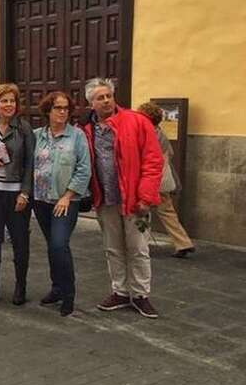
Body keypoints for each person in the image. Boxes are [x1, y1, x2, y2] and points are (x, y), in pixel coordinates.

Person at [81, 78, 163, 318]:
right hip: (106, 199)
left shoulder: (137, 121)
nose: (106, 100)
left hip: (136, 201)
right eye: (100, 98)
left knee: (138, 248)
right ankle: (120, 291)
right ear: (91, 104)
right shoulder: (88, 129)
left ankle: (140, 294)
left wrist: (146, 195)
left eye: (108, 95)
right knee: (113, 248)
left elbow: (153, 161)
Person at [32, 92, 91, 316]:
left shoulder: (77, 136)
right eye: (58, 108)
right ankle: (56, 288)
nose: (63, 112)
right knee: (52, 246)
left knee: (59, 244)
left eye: (66, 108)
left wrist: (67, 196)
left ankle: (68, 293)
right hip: (41, 200)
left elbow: (84, 169)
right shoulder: (37, 135)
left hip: (65, 201)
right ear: (48, 110)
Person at [0, 83, 34, 305]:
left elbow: (30, 164)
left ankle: (21, 286)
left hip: (16, 194)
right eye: (4, 101)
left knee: (20, 242)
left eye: (12, 101)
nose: (8, 105)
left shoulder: (24, 129)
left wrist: (25, 193)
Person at [138, 102, 196, 259]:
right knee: (168, 213)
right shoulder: (160, 133)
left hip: (150, 181)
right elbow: (169, 154)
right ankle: (183, 242)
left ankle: (140, 243)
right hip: (164, 180)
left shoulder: (145, 132)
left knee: (140, 212)